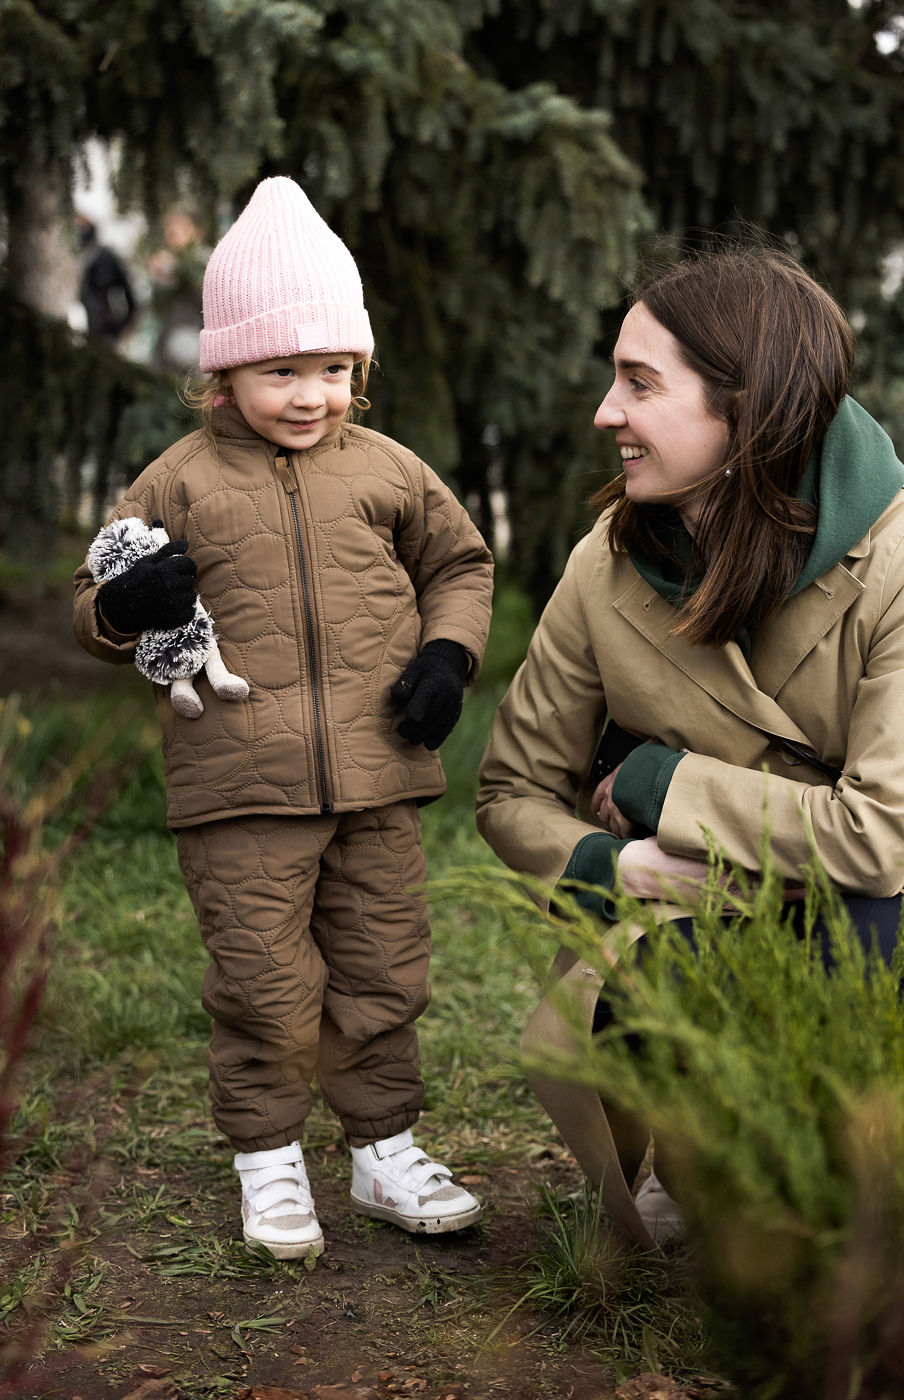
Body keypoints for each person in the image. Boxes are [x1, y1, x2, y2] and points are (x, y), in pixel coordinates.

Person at [475, 246, 904, 1247]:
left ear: (747, 407)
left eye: (639, 382)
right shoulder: (606, 564)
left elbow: (875, 843)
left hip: (891, 919)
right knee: (644, 981)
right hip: (685, 912)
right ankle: (693, 1158)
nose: (606, 410)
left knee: (869, 946)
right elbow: (510, 787)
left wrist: (658, 777)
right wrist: (612, 861)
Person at [74, 176, 494, 1260]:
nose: (312, 394)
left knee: (385, 966)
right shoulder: (176, 480)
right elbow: (98, 597)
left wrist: (448, 654)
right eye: (281, 370)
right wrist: (129, 604)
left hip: (378, 771)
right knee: (264, 975)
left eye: (333, 369)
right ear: (223, 369)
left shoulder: (390, 469)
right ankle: (268, 1157)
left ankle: (383, 1148)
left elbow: (458, 562)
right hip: (238, 782)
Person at [76, 214, 136, 342]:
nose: (79, 228)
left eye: (83, 224)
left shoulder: (108, 258)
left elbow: (133, 301)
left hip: (102, 334)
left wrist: (116, 330)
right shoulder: (69, 255)